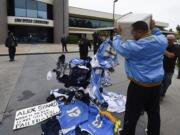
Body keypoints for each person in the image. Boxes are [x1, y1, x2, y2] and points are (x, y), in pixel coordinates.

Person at [112, 20, 168, 135]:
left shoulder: (134, 47)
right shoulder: (162, 41)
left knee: (132, 112)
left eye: (134, 32)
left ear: (139, 31)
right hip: (156, 86)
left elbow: (118, 46)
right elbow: (159, 34)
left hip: (139, 86)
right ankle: (153, 132)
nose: (132, 35)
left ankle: (128, 132)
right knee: (154, 112)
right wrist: (154, 27)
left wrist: (118, 34)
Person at [160, 35, 178, 99]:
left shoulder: (176, 47)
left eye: (170, 39)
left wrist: (161, 49)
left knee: (167, 82)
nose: (168, 41)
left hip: (169, 69)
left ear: (174, 40)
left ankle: (162, 93)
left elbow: (170, 55)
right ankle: (160, 96)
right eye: (167, 39)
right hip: (160, 68)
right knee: (160, 83)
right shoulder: (164, 46)